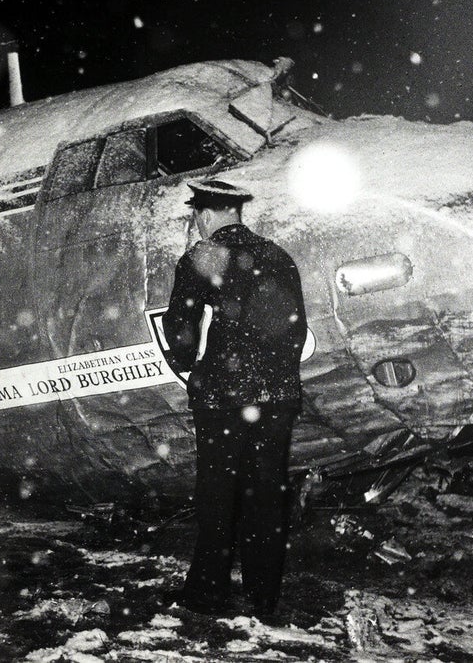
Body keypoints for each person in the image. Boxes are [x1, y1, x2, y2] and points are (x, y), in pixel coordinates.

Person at [161, 174, 307, 619]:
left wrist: (186, 360)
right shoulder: (278, 256)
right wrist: (276, 376)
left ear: (204, 215)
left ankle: (208, 594)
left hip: (225, 399)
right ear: (237, 214)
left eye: (197, 219)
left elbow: (181, 330)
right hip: (277, 397)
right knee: (266, 495)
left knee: (218, 496)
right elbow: (296, 329)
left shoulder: (203, 257)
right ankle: (265, 598)